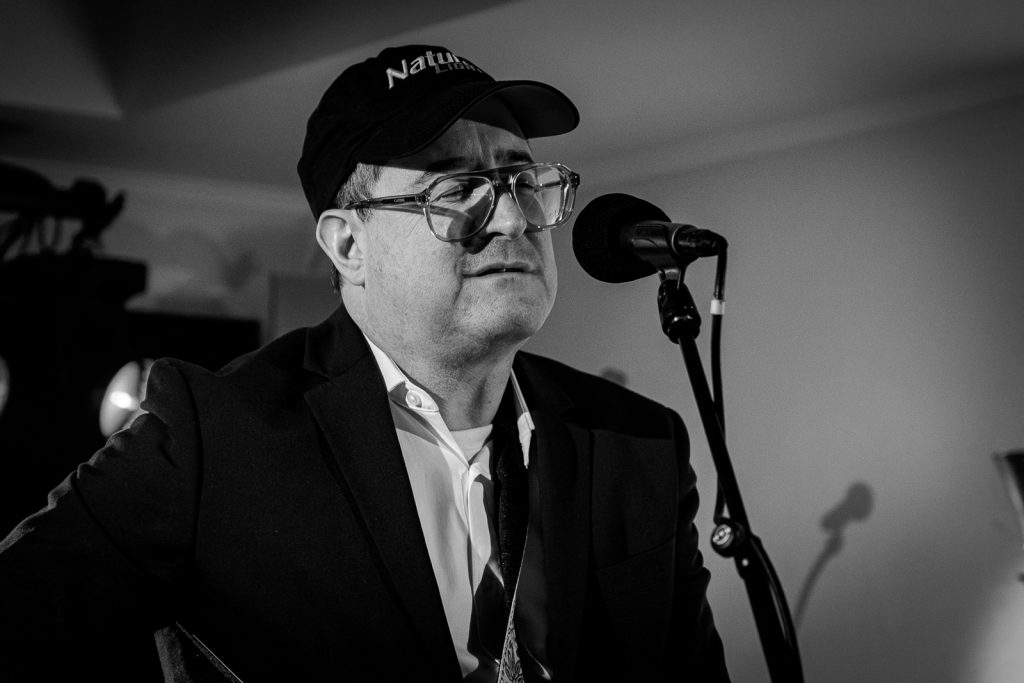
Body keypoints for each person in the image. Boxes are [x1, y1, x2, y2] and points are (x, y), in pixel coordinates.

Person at [0, 44, 730, 682]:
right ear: (349, 245)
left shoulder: (640, 443)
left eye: (522, 183)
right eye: (455, 191)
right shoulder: (212, 436)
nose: (512, 218)